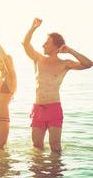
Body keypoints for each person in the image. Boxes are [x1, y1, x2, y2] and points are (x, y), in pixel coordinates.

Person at [22, 18, 93, 153]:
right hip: (38, 108)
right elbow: (25, 44)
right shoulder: (38, 59)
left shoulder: (64, 64)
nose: (43, 45)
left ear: (55, 47)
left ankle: (55, 172)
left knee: (55, 147)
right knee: (37, 146)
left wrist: (71, 51)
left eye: (47, 43)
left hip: (53, 108)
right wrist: (33, 27)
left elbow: (88, 64)